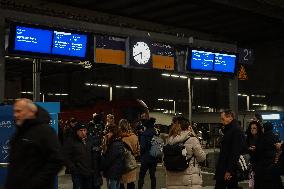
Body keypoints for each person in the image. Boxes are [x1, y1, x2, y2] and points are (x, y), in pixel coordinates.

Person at [5, 98, 64, 189]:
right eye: (14, 111)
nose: (15, 115)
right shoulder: (20, 132)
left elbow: (57, 160)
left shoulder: (45, 131)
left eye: (19, 111)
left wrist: (34, 183)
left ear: (31, 112)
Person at [166, 116, 206, 189]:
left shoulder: (169, 141)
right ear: (188, 126)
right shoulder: (192, 139)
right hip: (189, 181)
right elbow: (201, 158)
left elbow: (164, 162)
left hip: (172, 180)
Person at [63, 122, 102, 189]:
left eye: (84, 130)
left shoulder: (90, 140)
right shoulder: (71, 141)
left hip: (90, 173)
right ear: (76, 131)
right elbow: (65, 157)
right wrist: (73, 168)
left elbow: (95, 154)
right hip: (78, 174)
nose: (83, 132)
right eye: (81, 130)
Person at [215, 110, 245, 189]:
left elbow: (235, 152)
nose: (221, 121)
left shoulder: (236, 130)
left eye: (223, 119)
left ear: (230, 117)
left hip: (227, 168)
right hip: (225, 166)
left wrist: (229, 170)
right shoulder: (229, 129)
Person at [254, 122, 283, 189]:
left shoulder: (262, 137)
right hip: (274, 164)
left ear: (264, 128)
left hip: (263, 165)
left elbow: (259, 150)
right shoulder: (276, 136)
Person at [101, 124, 125, 189]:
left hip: (113, 171)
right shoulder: (117, 142)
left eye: (109, 132)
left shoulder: (115, 144)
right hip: (116, 170)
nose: (107, 134)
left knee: (113, 186)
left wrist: (102, 166)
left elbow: (109, 159)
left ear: (114, 133)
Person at [138, 117, 158, 189]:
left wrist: (141, 154)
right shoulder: (155, 133)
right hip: (154, 157)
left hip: (145, 157)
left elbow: (142, 147)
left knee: (142, 175)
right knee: (152, 175)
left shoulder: (144, 135)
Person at [119, 119, 140, 189]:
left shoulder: (118, 137)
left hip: (121, 164)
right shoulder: (134, 137)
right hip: (131, 164)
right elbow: (137, 151)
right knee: (131, 183)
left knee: (120, 184)